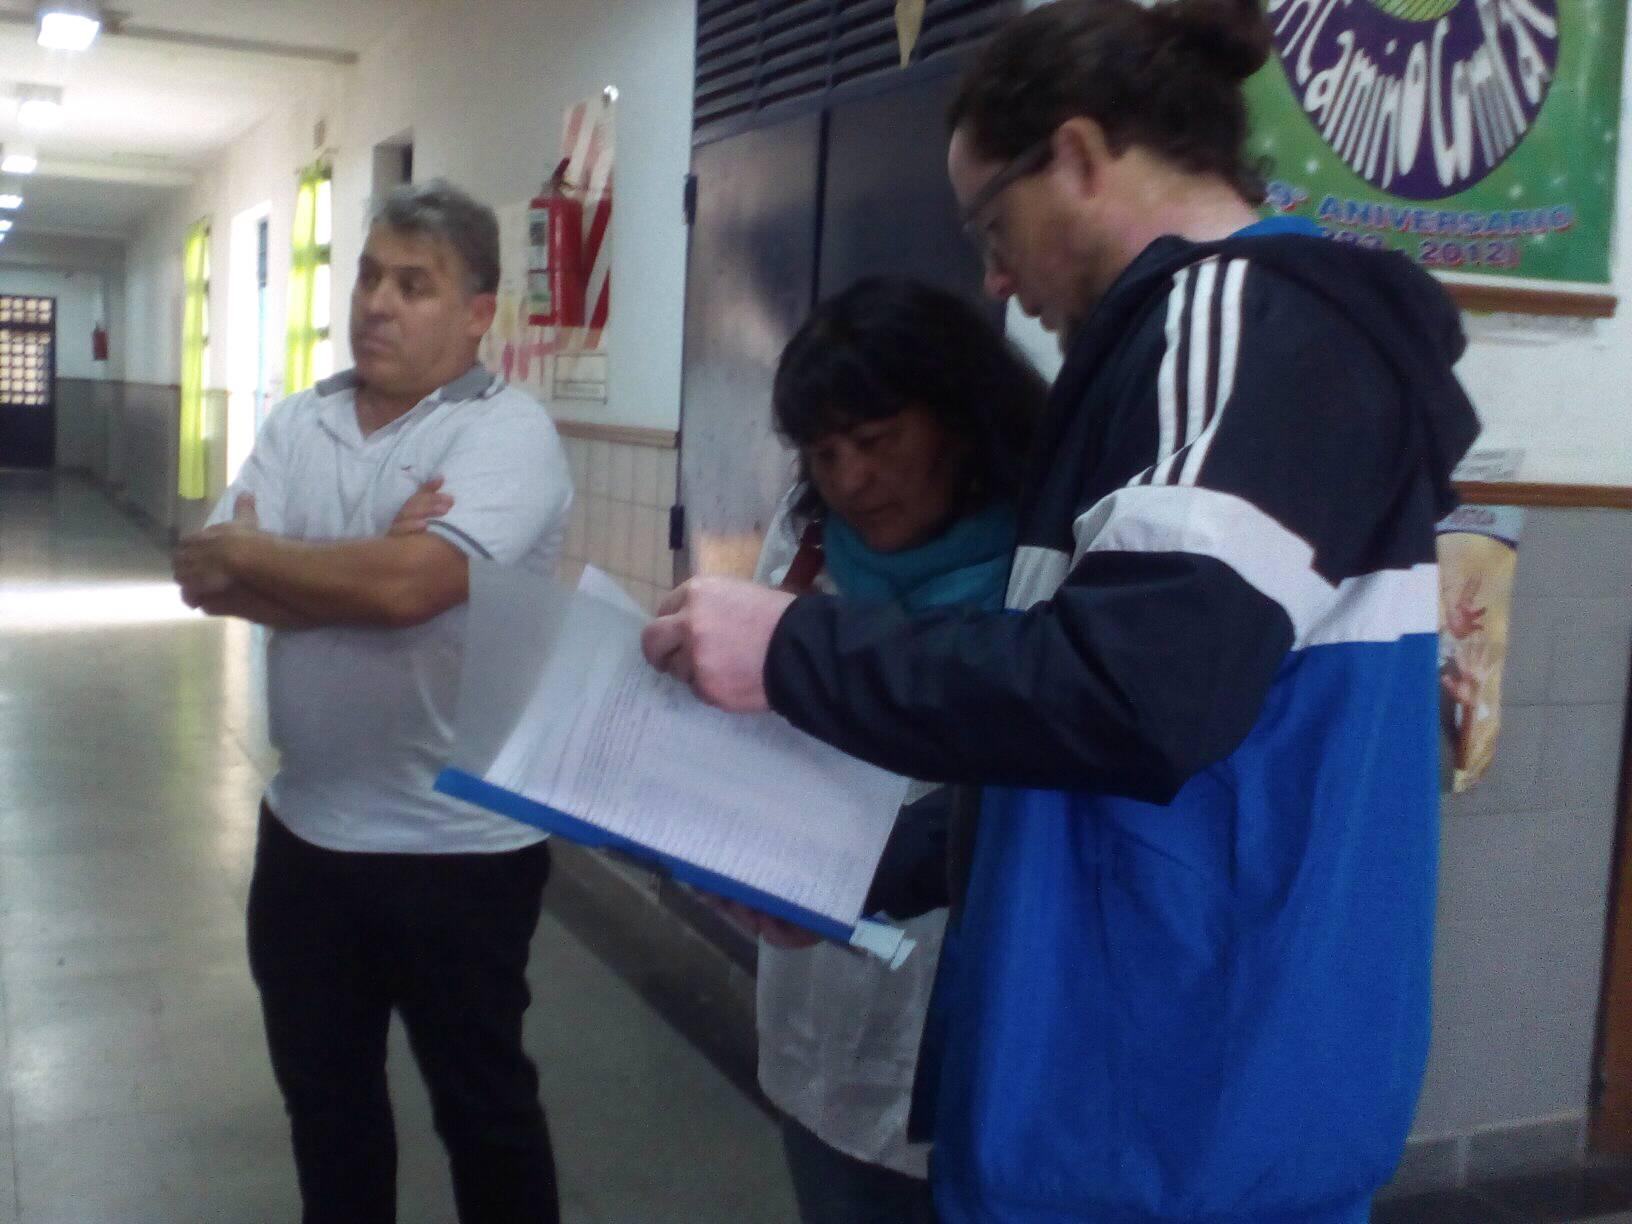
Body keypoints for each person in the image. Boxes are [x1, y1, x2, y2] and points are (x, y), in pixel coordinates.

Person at [641, 2, 1482, 1221]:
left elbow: (1137, 693)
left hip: (1180, 1119)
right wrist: (851, 873)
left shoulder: (1236, 321)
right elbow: (1065, 748)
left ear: (1080, 157)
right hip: (1137, 1114)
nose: (994, 276)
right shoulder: (1175, 358)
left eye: (993, 223)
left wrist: (795, 649)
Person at [173, 178, 571, 1224]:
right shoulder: (299, 421)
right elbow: (206, 575)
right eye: (367, 278)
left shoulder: (508, 433)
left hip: (463, 853)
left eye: (414, 285)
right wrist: (363, 565)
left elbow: (408, 591)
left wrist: (280, 560)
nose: (377, 305)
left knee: (485, 1115)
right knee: (328, 1113)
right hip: (306, 841)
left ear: (478, 312)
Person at [736, 277, 1043, 1224]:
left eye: (876, 441)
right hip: (815, 990)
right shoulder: (806, 543)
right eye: (825, 454)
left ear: (959, 420)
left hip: (988, 1012)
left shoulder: (1048, 555)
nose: (852, 481)